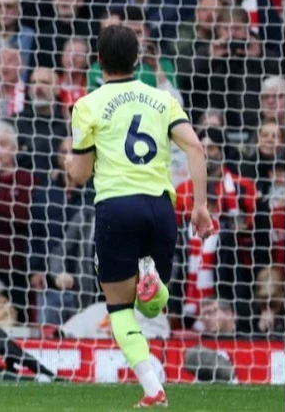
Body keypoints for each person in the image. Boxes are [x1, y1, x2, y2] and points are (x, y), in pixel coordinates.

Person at [65, 25, 211, 407]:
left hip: (117, 204)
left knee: (119, 306)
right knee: (154, 304)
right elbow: (196, 148)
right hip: (161, 205)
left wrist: (71, 160)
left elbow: (79, 176)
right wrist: (200, 206)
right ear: (137, 60)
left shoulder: (88, 104)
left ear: (98, 62)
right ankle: (151, 281)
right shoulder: (162, 99)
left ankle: (152, 387)